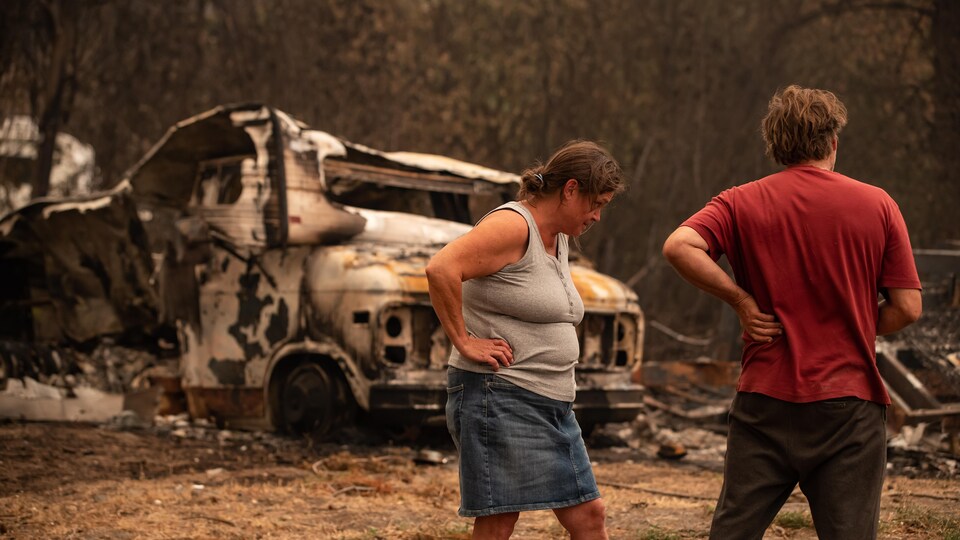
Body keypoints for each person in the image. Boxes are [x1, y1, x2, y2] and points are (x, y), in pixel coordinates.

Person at [662, 85, 922, 540]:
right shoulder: (878, 204)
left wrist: (741, 301)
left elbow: (679, 246)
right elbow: (908, 307)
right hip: (849, 405)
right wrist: (857, 326)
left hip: (765, 398)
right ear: (833, 142)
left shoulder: (739, 202)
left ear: (776, 144)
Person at [426, 140, 626, 540]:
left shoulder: (560, 237)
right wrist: (464, 340)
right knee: (500, 520)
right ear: (570, 190)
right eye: (595, 203)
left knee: (590, 515)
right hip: (499, 395)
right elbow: (441, 268)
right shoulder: (513, 226)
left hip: (549, 404)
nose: (598, 216)